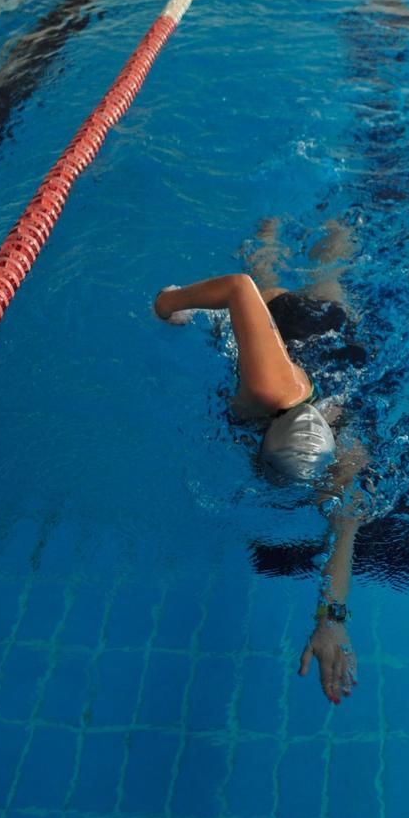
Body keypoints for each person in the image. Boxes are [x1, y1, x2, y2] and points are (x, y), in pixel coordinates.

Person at [153, 220, 369, 705]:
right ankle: (287, 226)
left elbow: (345, 529)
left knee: (332, 268)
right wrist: (169, 303)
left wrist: (330, 624)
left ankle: (331, 223)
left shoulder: (346, 453)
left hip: (342, 355)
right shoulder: (271, 389)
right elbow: (239, 289)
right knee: (265, 272)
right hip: (306, 332)